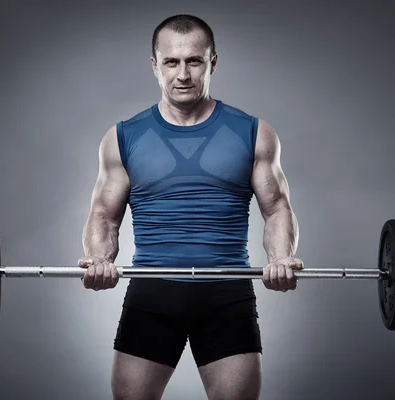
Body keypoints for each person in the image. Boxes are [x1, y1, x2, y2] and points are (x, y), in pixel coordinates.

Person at [78, 14, 303, 400]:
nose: (182, 74)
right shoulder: (122, 137)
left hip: (227, 291)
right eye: (171, 62)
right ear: (155, 65)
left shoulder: (254, 132)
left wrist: (280, 258)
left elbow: (278, 208)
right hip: (152, 292)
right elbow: (103, 214)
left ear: (212, 62)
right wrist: (99, 259)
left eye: (194, 61)